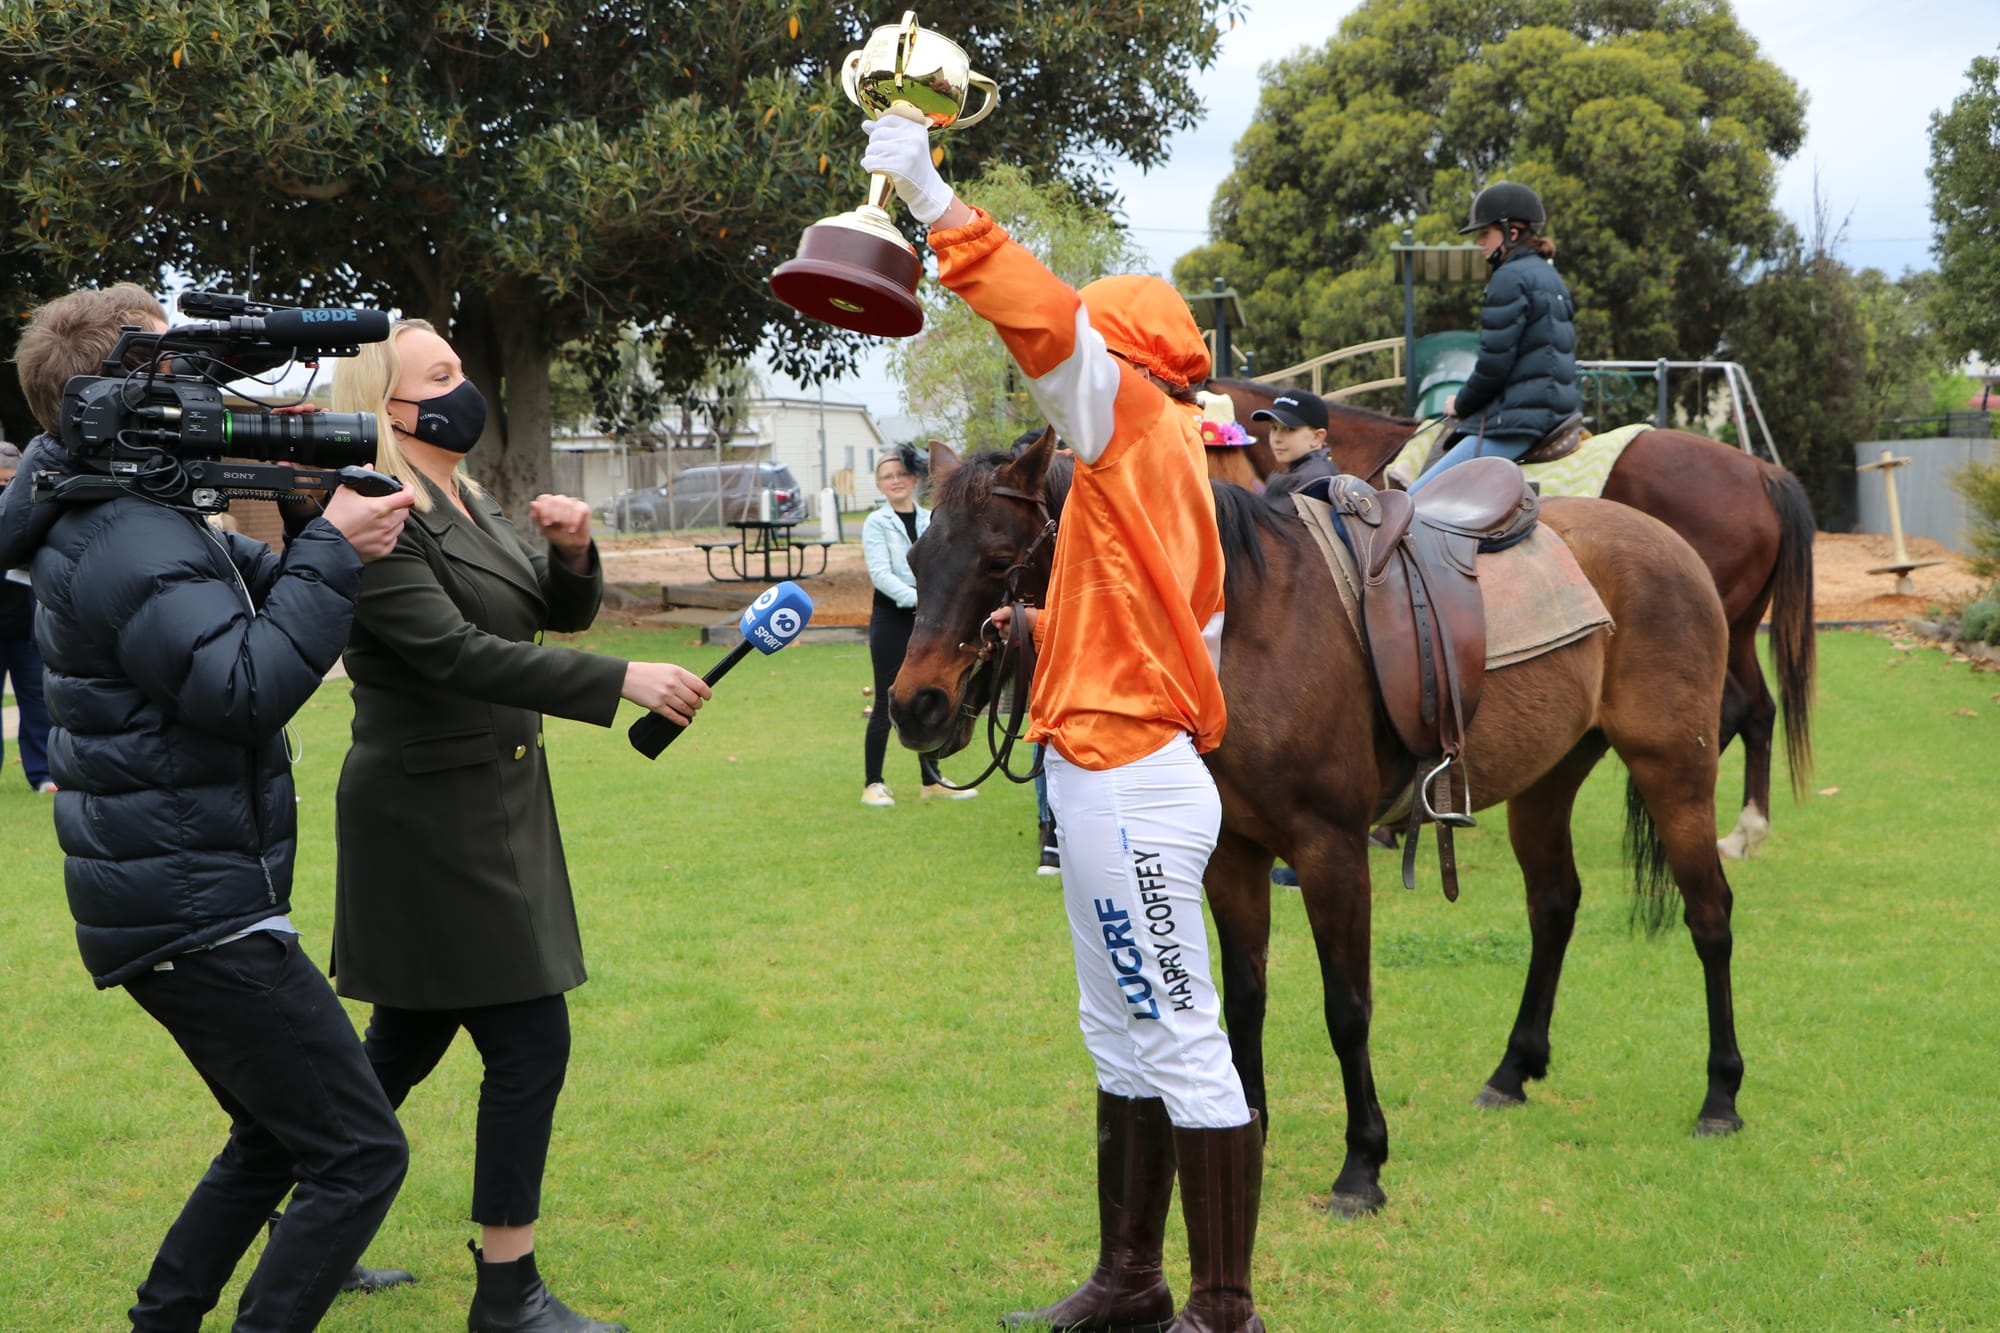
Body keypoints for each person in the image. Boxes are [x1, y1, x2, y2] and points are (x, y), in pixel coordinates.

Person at [864, 115, 1269, 1332]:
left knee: (1180, 1039)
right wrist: (1036, 638)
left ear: (1122, 356)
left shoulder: (1132, 425)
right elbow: (1169, 633)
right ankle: (1130, 1282)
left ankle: (1220, 1307)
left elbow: (1043, 322)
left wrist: (935, 197)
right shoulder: (1146, 474)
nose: (1063, 370)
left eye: (1091, 343)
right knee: (1120, 1035)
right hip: (1116, 769)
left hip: (1129, 784)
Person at [0, 283, 417, 1331]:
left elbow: (257, 586)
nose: (198, 388)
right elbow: (244, 686)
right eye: (175, 370)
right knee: (360, 1154)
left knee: (275, 1139)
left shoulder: (117, 511)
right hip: (197, 906)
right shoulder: (125, 536)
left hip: (184, 893)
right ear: (119, 398)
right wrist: (334, 546)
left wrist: (328, 544)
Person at [326, 319, 710, 1333]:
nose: (464, 386)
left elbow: (541, 611)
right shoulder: (374, 508)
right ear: (386, 406)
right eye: (439, 375)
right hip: (429, 816)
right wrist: (621, 678)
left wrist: (572, 551)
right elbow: (452, 653)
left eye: (460, 367)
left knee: (401, 1042)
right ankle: (508, 1296)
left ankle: (310, 1234)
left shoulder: (466, 492)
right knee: (529, 1039)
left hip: (487, 804)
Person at [1411, 181, 1579, 492]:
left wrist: (1461, 404)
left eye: (1485, 233)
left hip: (1517, 422)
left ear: (1511, 232)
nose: (1479, 242)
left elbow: (1494, 365)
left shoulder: (1509, 278)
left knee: (1417, 498)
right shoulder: (1549, 274)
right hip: (1555, 410)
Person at [859, 445, 976, 806]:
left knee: (926, 697)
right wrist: (923, 600)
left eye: (901, 475)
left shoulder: (931, 519)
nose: (896, 481)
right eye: (887, 477)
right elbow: (882, 575)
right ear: (879, 485)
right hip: (893, 619)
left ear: (914, 479)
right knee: (886, 701)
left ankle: (932, 779)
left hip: (927, 623)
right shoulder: (876, 523)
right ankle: (873, 783)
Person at [0, 440, 56, 793]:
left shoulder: (32, 510)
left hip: (27, 627)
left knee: (38, 703)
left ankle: (43, 774)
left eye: (9, 483)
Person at [1251, 388, 1337, 511]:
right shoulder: (1318, 470)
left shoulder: (1313, 483)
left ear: (1317, 437)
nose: (1276, 439)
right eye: (1273, 428)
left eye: (1288, 429)